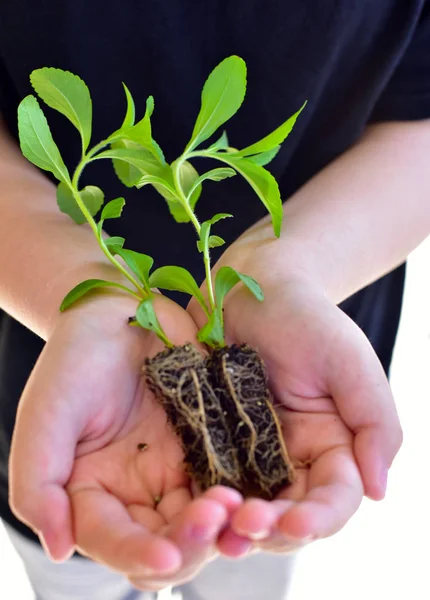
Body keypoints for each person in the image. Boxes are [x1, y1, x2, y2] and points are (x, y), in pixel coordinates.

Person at [0, 0, 428, 598]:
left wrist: (287, 272)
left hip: (302, 371)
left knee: (250, 557)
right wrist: (80, 294)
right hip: (66, 392)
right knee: (74, 572)